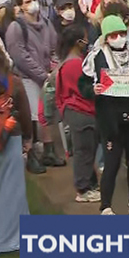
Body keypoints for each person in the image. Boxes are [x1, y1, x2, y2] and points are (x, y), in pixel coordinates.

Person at [80, 15, 129, 215]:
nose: (119, 38)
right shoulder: (97, 57)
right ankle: (105, 206)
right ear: (106, 37)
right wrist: (93, 89)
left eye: (122, 33)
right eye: (113, 35)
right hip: (111, 121)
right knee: (112, 165)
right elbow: (83, 84)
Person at [0, 38, 32, 254]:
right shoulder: (11, 82)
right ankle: (5, 241)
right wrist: (29, 139)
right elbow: (24, 113)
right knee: (10, 190)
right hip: (8, 137)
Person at [5, 0, 61, 168]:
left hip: (46, 75)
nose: (32, 3)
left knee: (47, 113)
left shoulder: (46, 23)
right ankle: (31, 154)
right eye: (28, 1)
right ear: (21, 6)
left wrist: (54, 68)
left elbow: (54, 48)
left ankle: (49, 150)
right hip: (27, 77)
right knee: (32, 116)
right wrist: (41, 74)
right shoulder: (16, 27)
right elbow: (20, 56)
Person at [55, 25, 98, 203]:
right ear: (78, 42)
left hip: (77, 112)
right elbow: (83, 90)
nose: (86, 42)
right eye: (84, 39)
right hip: (81, 112)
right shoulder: (74, 65)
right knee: (84, 152)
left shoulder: (69, 61)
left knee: (86, 150)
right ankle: (83, 189)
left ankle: (89, 184)